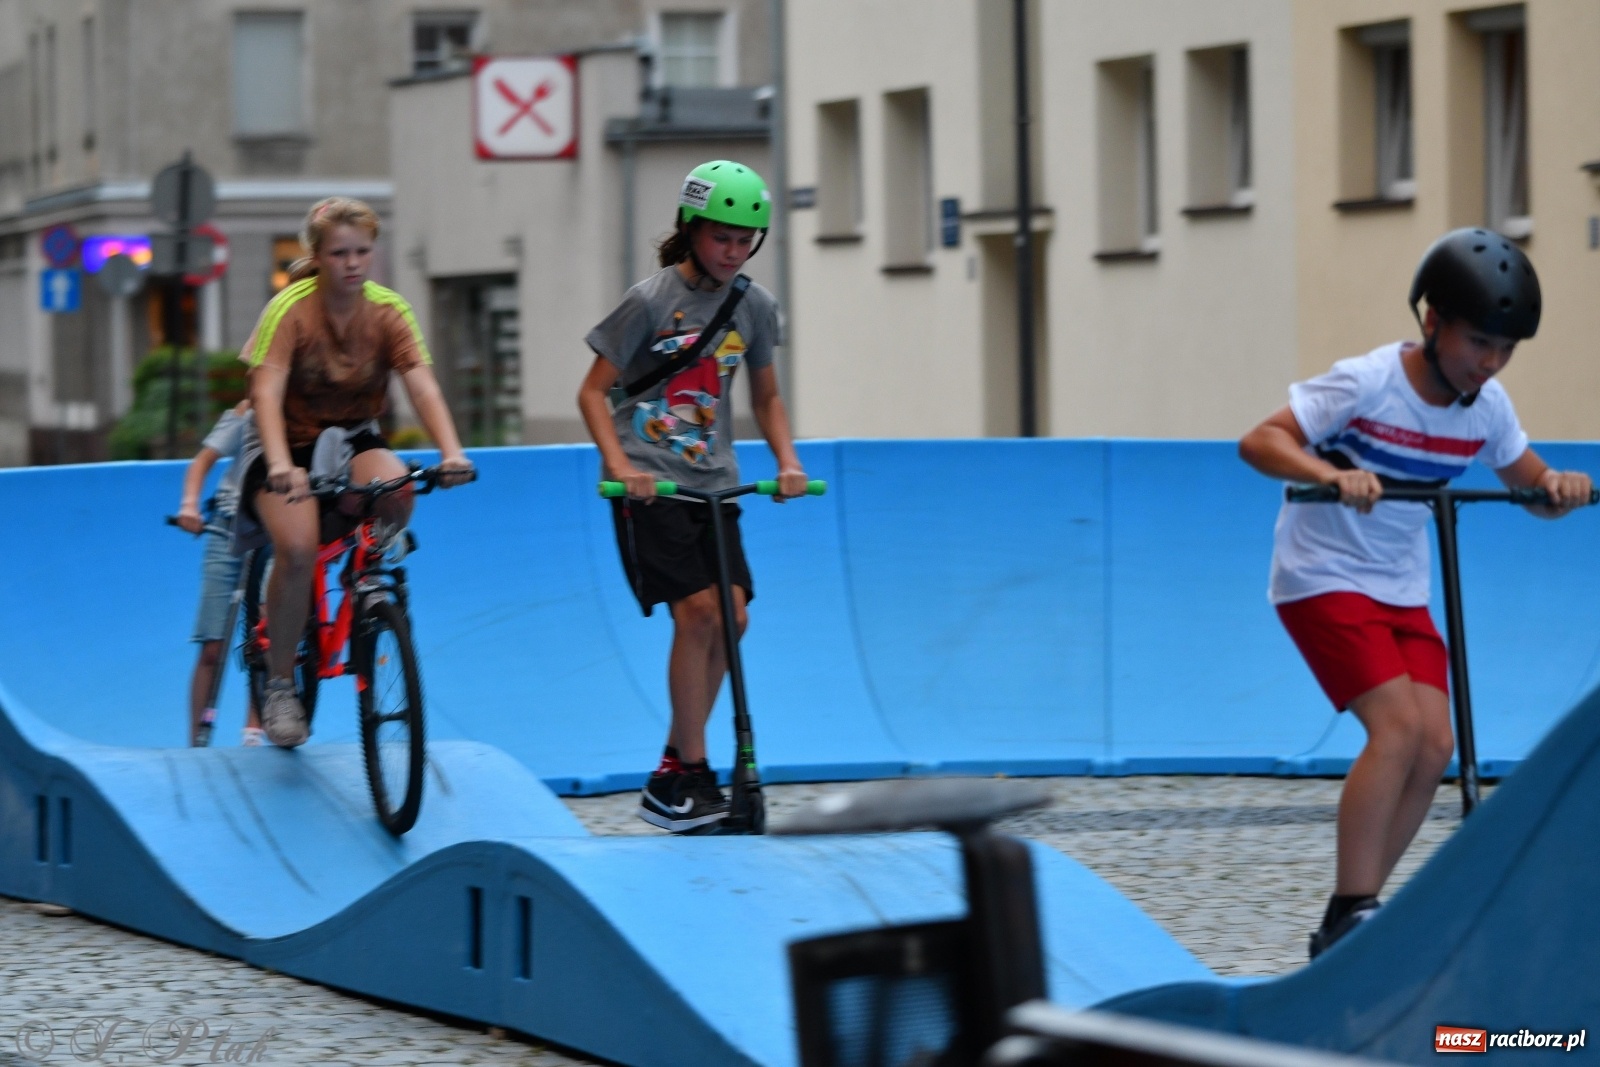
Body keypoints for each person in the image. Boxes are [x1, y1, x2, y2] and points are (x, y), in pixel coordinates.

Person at [1238, 229, 1593, 958]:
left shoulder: (1487, 407)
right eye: (1477, 343)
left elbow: (1528, 484)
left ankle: (1355, 915)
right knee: (1396, 728)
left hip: (1401, 585)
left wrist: (1557, 487)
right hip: (1323, 576)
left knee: (1435, 742)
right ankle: (1354, 907)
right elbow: (1261, 441)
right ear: (1432, 321)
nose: (1489, 363)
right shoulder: (1368, 382)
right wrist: (1333, 475)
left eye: (1505, 348)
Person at [577, 160, 808, 833]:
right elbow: (592, 392)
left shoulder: (755, 306)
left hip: (714, 481)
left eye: (746, 240)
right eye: (721, 238)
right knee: (699, 613)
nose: (733, 252)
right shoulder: (650, 300)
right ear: (691, 228)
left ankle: (673, 771)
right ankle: (697, 775)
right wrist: (622, 466)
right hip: (652, 484)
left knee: (733, 618)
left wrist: (788, 461)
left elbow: (766, 396)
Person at [239, 196, 474, 749]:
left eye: (362, 252)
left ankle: (367, 569)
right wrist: (278, 465)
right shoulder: (291, 310)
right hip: (283, 444)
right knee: (296, 550)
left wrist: (452, 451)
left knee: (397, 489)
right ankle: (277, 686)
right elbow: (265, 394)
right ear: (317, 256)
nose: (352, 263)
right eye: (339, 253)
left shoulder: (388, 311)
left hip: (349, 437)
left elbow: (420, 383)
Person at [175, 399, 263, 746]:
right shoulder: (246, 411)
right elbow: (202, 462)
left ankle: (254, 731)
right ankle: (198, 740)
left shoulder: (312, 410)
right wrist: (189, 505)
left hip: (277, 527)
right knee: (212, 644)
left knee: (269, 634)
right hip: (228, 524)